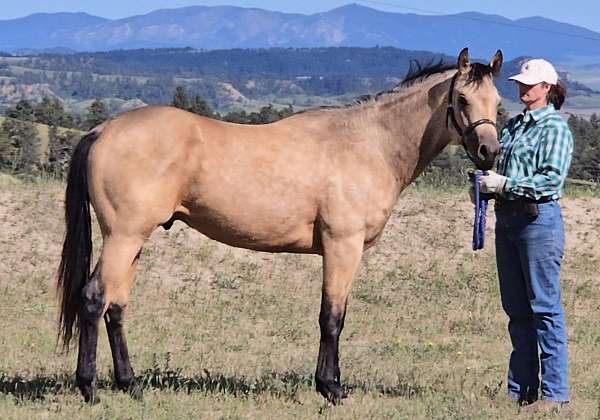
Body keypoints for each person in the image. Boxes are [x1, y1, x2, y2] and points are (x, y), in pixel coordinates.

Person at [478, 58, 574, 412]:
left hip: (538, 223)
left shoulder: (554, 129)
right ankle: (520, 390)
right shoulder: (515, 125)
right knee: (517, 311)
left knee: (545, 309)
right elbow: (502, 169)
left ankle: (555, 394)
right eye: (521, 83)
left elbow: (550, 181)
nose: (523, 88)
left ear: (547, 88)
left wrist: (505, 184)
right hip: (509, 221)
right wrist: (488, 186)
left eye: (531, 84)